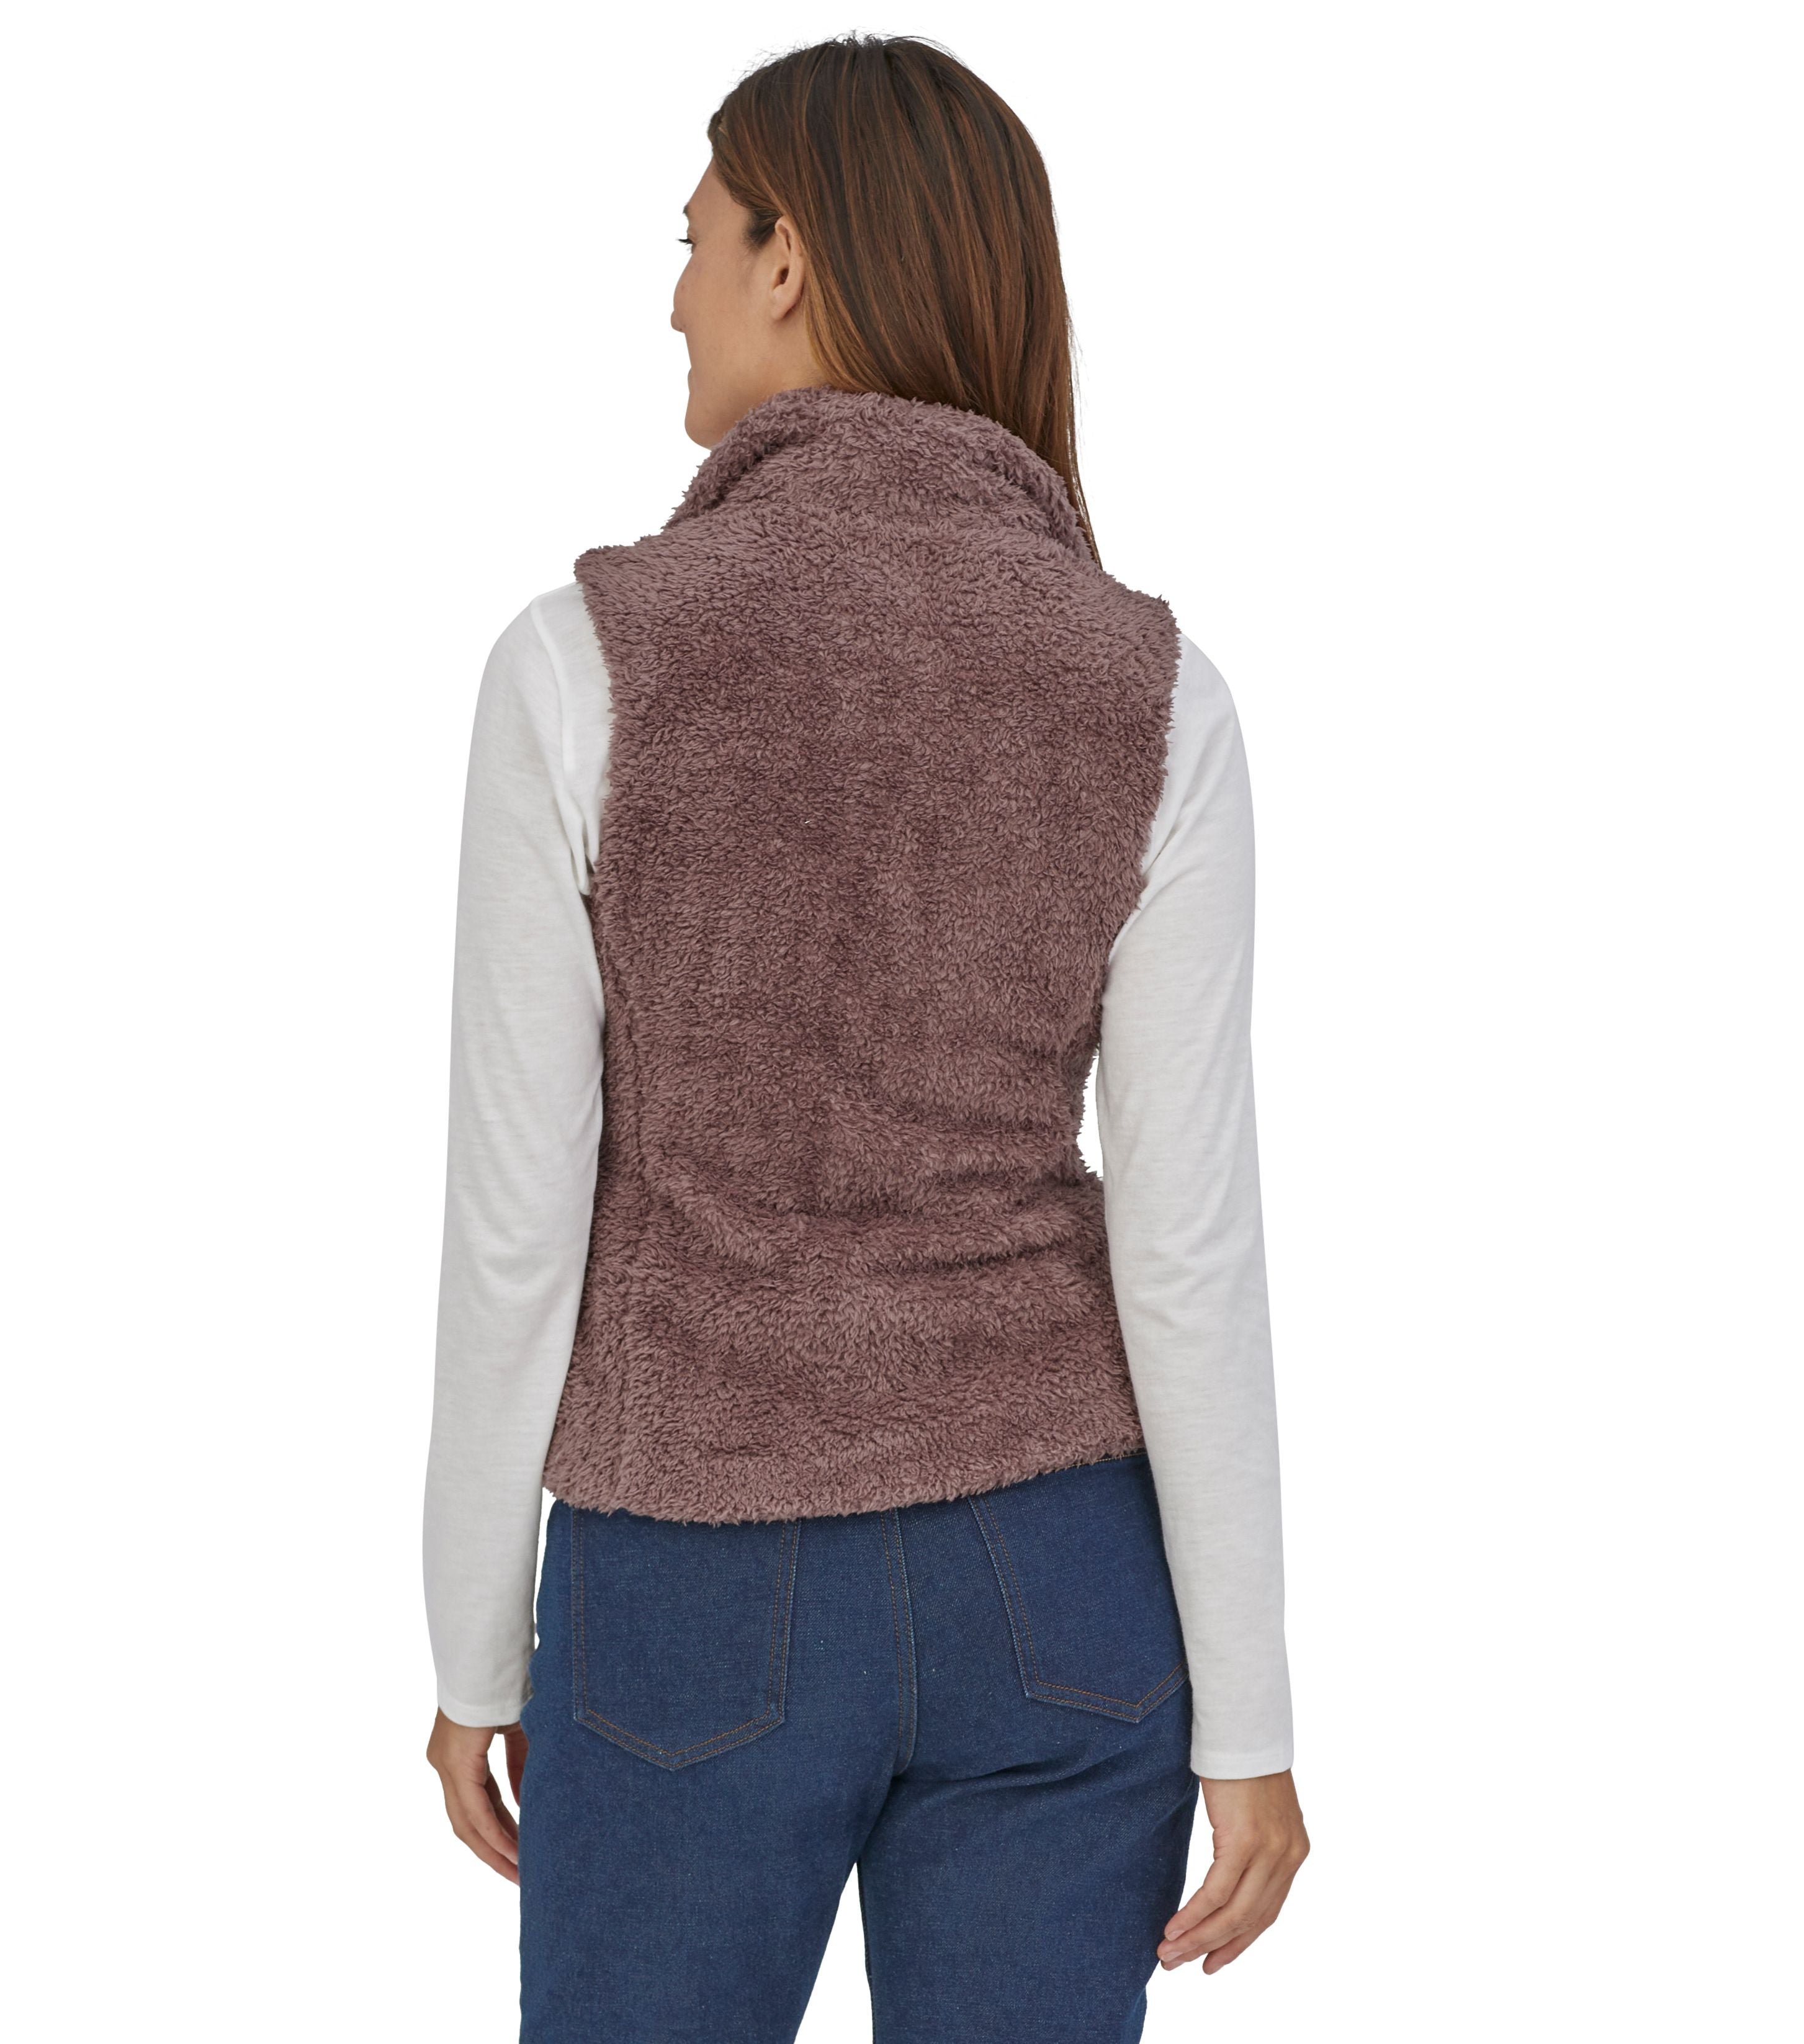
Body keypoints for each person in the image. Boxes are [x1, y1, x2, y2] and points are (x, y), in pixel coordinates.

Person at [421, 32, 1308, 2042]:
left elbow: (515, 1223)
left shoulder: (580, 664)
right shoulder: (1157, 690)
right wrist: (1249, 1716)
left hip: (690, 1578)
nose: (674, 296)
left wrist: (475, 1644)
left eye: (693, 241)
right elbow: (1186, 1242)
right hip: (1065, 1589)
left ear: (791, 260)